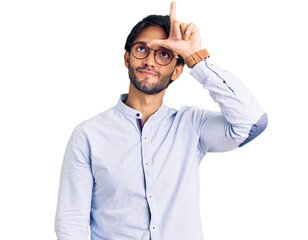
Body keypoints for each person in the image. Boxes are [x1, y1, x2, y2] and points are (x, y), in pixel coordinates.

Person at [54, 2, 267, 240]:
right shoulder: (88, 134)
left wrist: (196, 59)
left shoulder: (191, 125)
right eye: (142, 49)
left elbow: (252, 122)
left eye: (164, 54)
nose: (150, 61)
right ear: (127, 58)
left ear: (177, 71)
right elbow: (71, 223)